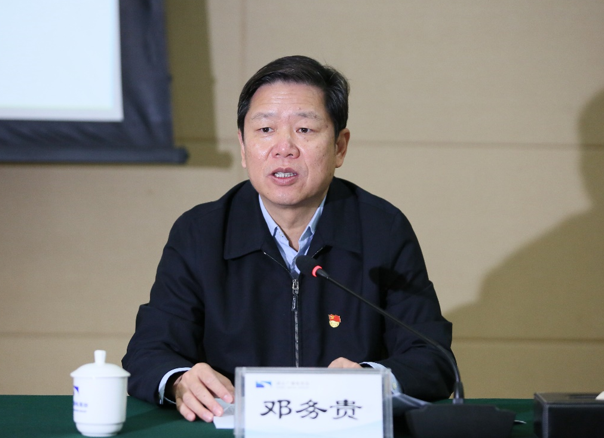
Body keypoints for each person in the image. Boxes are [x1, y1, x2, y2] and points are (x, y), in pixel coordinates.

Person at [122, 55, 455, 423]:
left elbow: (433, 357)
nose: (284, 147)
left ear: (340, 147)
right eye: (265, 129)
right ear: (243, 147)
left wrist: (372, 379)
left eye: (305, 129)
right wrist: (179, 381)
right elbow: (148, 352)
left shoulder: (382, 230)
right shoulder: (201, 233)